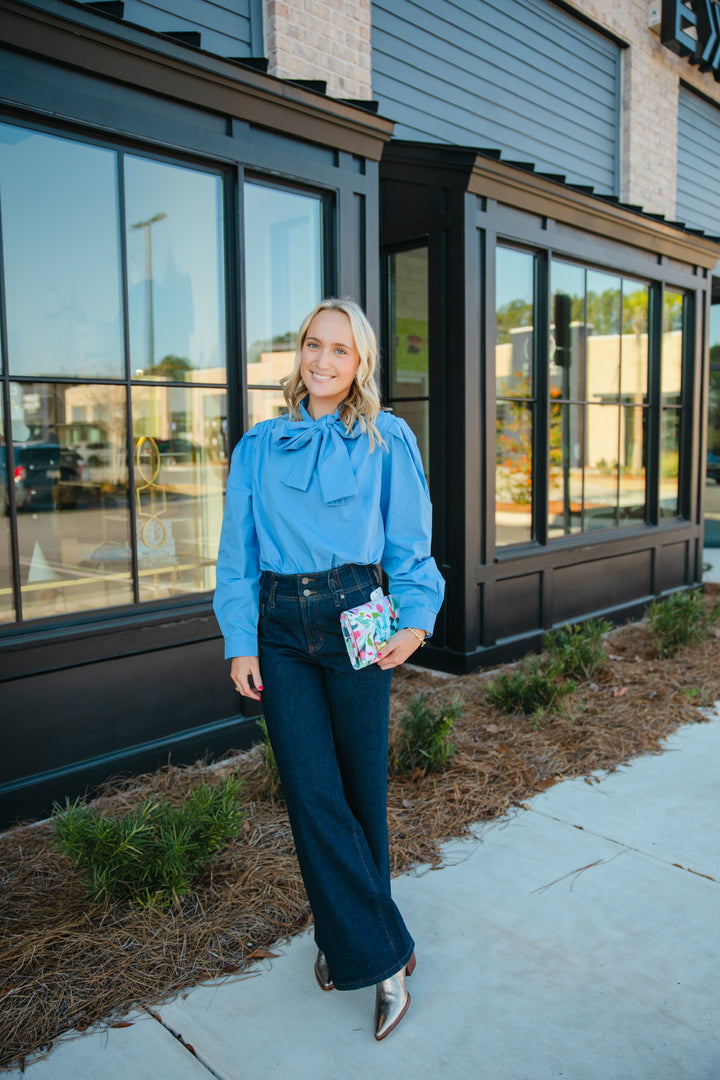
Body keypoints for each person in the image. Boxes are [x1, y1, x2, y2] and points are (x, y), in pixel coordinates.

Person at [213, 297, 445, 1041]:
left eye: (340, 351)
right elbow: (236, 554)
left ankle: (348, 943)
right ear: (300, 352)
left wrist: (413, 623)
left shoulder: (387, 439)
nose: (322, 361)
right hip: (280, 624)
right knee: (313, 793)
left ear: (361, 364)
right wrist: (240, 640)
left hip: (358, 611)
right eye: (314, 345)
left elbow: (410, 545)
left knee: (360, 791)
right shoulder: (259, 446)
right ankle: (383, 954)